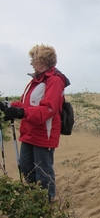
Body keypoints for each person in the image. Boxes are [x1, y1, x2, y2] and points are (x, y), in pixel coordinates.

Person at [1, 44, 70, 201]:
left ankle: (47, 201)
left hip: (44, 134)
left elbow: (48, 110)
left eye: (34, 59)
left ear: (44, 61)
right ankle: (34, 197)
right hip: (29, 132)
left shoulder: (54, 81)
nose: (31, 63)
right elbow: (27, 105)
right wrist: (11, 106)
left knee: (43, 171)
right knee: (26, 167)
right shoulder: (36, 81)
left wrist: (21, 112)